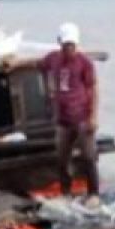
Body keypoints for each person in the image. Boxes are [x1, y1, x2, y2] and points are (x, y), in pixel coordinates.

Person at [37, 23, 100, 207]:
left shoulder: (85, 63)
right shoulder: (53, 59)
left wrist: (93, 117)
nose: (69, 49)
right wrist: (15, 64)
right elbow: (39, 65)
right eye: (66, 46)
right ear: (60, 44)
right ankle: (66, 191)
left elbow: (93, 88)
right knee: (62, 158)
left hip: (82, 117)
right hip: (63, 119)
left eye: (72, 45)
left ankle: (93, 193)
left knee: (88, 156)